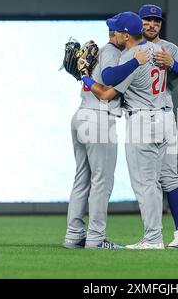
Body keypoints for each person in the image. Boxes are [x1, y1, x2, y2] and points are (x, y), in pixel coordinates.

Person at [80, 11, 169, 249]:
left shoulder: (133, 56)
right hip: (163, 117)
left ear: (127, 35)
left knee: (144, 184)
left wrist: (85, 77)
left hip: (143, 122)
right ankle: (155, 237)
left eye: (117, 31)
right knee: (154, 184)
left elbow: (108, 90)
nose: (114, 34)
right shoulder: (156, 49)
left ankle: (153, 239)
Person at [63, 20, 150, 249]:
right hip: (99, 119)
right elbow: (108, 88)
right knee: (102, 182)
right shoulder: (113, 54)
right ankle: (95, 238)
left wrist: (84, 75)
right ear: (122, 35)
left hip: (81, 116)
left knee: (82, 179)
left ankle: (73, 235)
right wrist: (134, 62)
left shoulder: (101, 51)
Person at [139, 4, 178, 249]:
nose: (152, 24)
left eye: (156, 21)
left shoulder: (170, 49)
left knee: (169, 178)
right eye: (147, 20)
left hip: (164, 116)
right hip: (140, 117)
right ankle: (151, 237)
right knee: (146, 180)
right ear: (139, 22)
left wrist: (172, 63)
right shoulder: (131, 48)